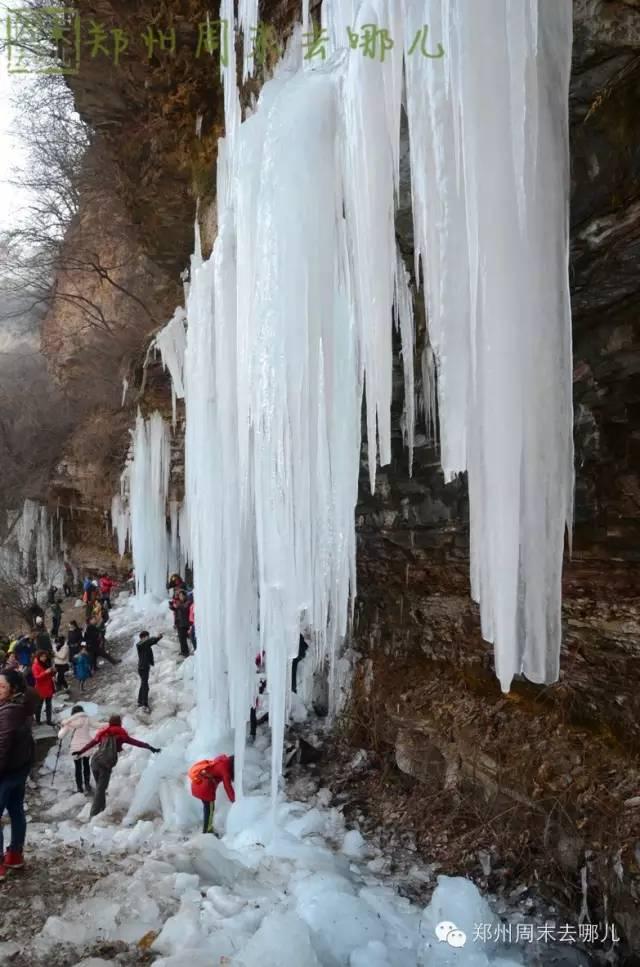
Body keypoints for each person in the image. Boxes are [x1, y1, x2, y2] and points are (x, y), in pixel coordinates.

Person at [74, 714, 160, 817]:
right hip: (105, 764)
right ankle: (94, 815)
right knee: (101, 789)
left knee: (100, 789)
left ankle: (101, 810)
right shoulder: (120, 733)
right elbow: (136, 742)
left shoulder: (103, 733)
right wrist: (151, 748)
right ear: (119, 723)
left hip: (95, 762)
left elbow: (92, 743)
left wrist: (80, 752)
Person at [0, 669, 34, 878]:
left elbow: (2, 746)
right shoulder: (22, 705)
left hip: (5, 771)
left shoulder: (8, 711)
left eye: (2, 686)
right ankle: (15, 854)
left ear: (13, 689)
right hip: (19, 768)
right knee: (16, 811)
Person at [58, 705, 103, 795]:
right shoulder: (87, 719)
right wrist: (111, 723)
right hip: (86, 746)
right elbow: (98, 725)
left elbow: (61, 736)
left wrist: (62, 727)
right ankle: (87, 785)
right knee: (86, 766)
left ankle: (79, 788)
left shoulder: (69, 722)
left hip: (75, 747)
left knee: (78, 768)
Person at [188, 755, 235, 834]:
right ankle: (207, 831)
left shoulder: (223, 760)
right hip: (205, 787)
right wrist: (234, 800)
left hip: (199, 783)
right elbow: (228, 787)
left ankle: (208, 828)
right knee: (209, 809)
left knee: (208, 809)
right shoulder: (225, 770)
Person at [136, 631, 162, 711]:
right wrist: (157, 638)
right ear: (143, 637)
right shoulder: (140, 644)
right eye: (147, 636)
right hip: (143, 668)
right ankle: (144, 703)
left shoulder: (145, 644)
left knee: (144, 684)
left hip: (144, 667)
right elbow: (151, 641)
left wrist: (157, 638)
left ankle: (140, 701)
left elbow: (151, 641)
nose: (148, 638)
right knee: (145, 686)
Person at [32, 652, 55, 726]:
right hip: (40, 688)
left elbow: (50, 674)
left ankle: (49, 720)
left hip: (48, 687)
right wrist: (45, 672)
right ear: (39, 657)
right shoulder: (35, 665)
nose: (44, 658)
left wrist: (53, 671)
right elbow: (37, 677)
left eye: (45, 656)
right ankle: (38, 720)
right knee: (39, 705)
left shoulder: (47, 663)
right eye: (42, 656)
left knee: (49, 705)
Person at [169, 589, 191, 658]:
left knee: (184, 638)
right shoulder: (180, 603)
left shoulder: (188, 602)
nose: (181, 597)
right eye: (180, 596)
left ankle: (186, 652)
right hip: (179, 623)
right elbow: (176, 609)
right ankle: (183, 651)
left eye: (182, 595)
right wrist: (171, 606)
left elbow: (185, 608)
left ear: (185, 596)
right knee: (181, 639)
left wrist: (177, 606)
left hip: (185, 623)